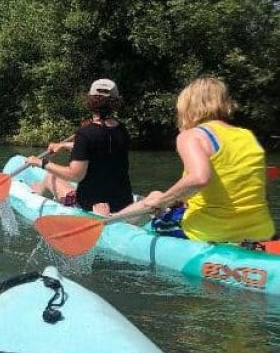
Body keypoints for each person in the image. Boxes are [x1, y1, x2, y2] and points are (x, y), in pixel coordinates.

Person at [116, 77, 275, 243]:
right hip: (261, 232)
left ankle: (113, 229)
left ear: (187, 106)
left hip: (210, 232)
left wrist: (163, 201)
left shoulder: (192, 136)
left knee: (155, 200)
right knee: (159, 196)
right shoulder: (247, 136)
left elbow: (199, 178)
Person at [25, 78, 133, 215]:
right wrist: (64, 145)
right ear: (116, 102)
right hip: (123, 204)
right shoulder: (122, 130)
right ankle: (39, 190)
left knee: (50, 176)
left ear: (91, 101)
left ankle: (36, 194)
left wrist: (41, 162)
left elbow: (75, 175)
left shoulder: (85, 134)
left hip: (90, 205)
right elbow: (100, 147)